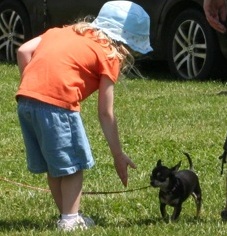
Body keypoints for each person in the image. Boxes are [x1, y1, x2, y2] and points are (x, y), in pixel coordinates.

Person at [16, 0, 152, 232]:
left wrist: (34, 85)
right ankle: (70, 220)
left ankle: (67, 215)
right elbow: (105, 113)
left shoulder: (61, 31)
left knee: (55, 166)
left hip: (26, 101)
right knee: (73, 167)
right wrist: (118, 155)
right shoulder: (109, 55)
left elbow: (23, 50)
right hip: (58, 105)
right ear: (125, 42)